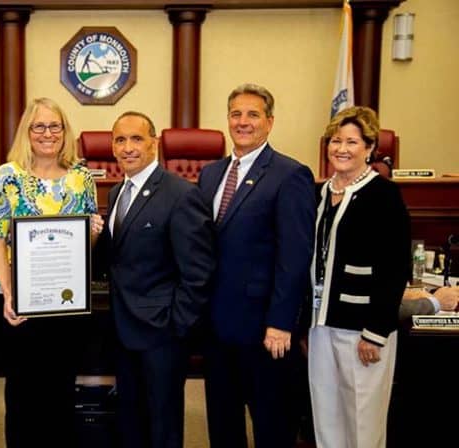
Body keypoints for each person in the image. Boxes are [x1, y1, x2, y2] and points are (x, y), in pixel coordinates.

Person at [197, 83, 316, 447]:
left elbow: (294, 258)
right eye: (236, 114)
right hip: (216, 327)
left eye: (252, 114)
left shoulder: (290, 174)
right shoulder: (210, 174)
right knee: (222, 421)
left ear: (270, 122)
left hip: (263, 329)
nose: (243, 122)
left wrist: (282, 322)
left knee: (270, 424)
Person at [0, 97, 103, 447]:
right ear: (27, 131)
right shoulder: (8, 176)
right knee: (22, 393)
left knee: (62, 389)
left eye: (56, 126)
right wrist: (8, 293)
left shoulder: (82, 178)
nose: (48, 133)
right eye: (40, 126)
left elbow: (86, 248)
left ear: (65, 132)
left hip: (67, 305)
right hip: (20, 304)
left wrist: (93, 233)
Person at [105, 111, 214, 448]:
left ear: (154, 143)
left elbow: (199, 271)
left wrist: (175, 326)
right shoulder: (115, 193)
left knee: (163, 423)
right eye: (120, 140)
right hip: (123, 328)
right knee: (131, 418)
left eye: (136, 139)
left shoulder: (180, 194)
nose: (127, 148)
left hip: (162, 334)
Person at [306, 106, 410, 448]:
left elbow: (395, 269)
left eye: (352, 141)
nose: (342, 149)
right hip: (321, 324)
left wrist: (376, 333)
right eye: (336, 140)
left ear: (369, 148)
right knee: (326, 413)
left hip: (362, 329)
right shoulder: (319, 192)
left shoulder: (384, 195)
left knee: (362, 421)